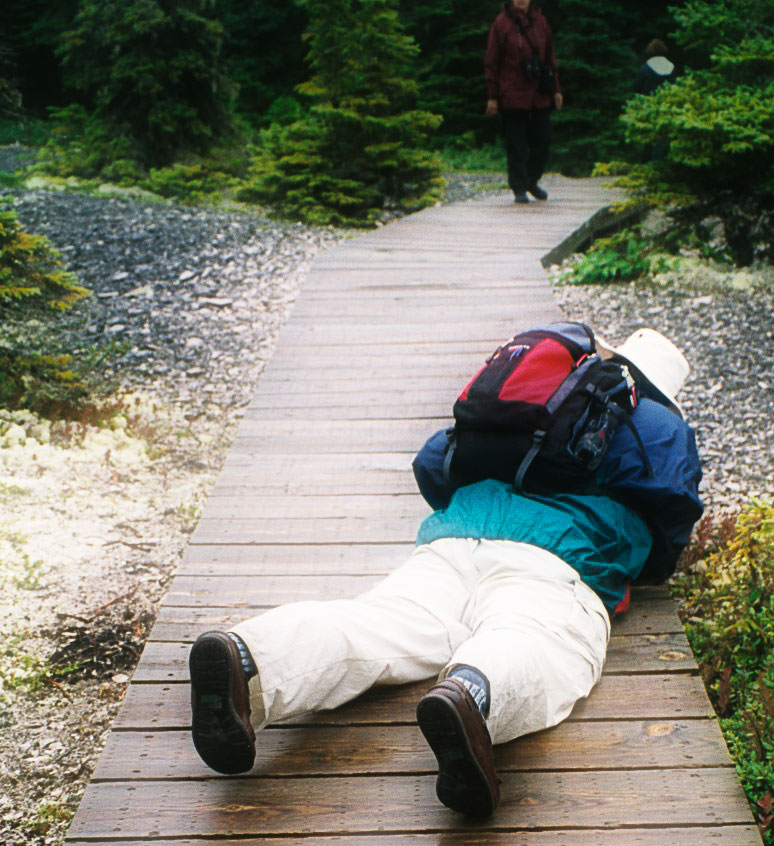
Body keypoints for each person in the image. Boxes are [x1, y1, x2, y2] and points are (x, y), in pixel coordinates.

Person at [188, 327, 703, 817]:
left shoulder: (550, 396)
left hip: (453, 538)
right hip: (556, 560)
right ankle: (472, 694)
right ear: (666, 392)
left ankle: (249, 656)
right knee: (538, 640)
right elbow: (663, 553)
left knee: (377, 623)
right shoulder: (659, 427)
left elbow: (436, 466)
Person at [484, 0, 563, 204]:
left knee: (543, 140)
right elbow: (492, 62)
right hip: (512, 93)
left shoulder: (540, 22)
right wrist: (493, 96)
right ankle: (518, 187)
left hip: (538, 92)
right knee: (516, 145)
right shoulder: (501, 24)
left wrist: (556, 89)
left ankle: (531, 179)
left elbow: (550, 58)